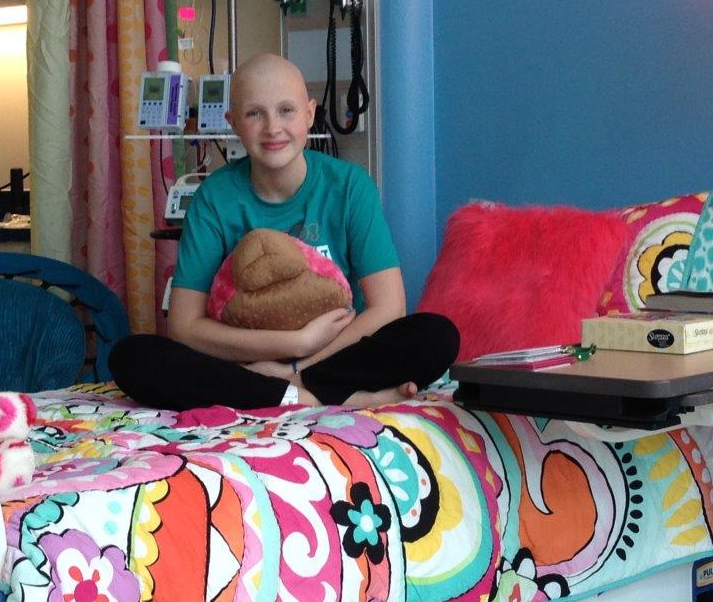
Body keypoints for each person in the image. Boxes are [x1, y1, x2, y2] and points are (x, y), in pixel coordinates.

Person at [109, 54, 458, 411]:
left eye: (286, 110)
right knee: (132, 356)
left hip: (335, 354)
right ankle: (325, 399)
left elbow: (389, 306)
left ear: (310, 114)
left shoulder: (351, 187)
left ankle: (284, 392)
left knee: (437, 336)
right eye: (254, 113)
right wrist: (295, 342)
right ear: (232, 123)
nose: (273, 127)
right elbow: (184, 326)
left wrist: (298, 367)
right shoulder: (214, 197)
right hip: (244, 361)